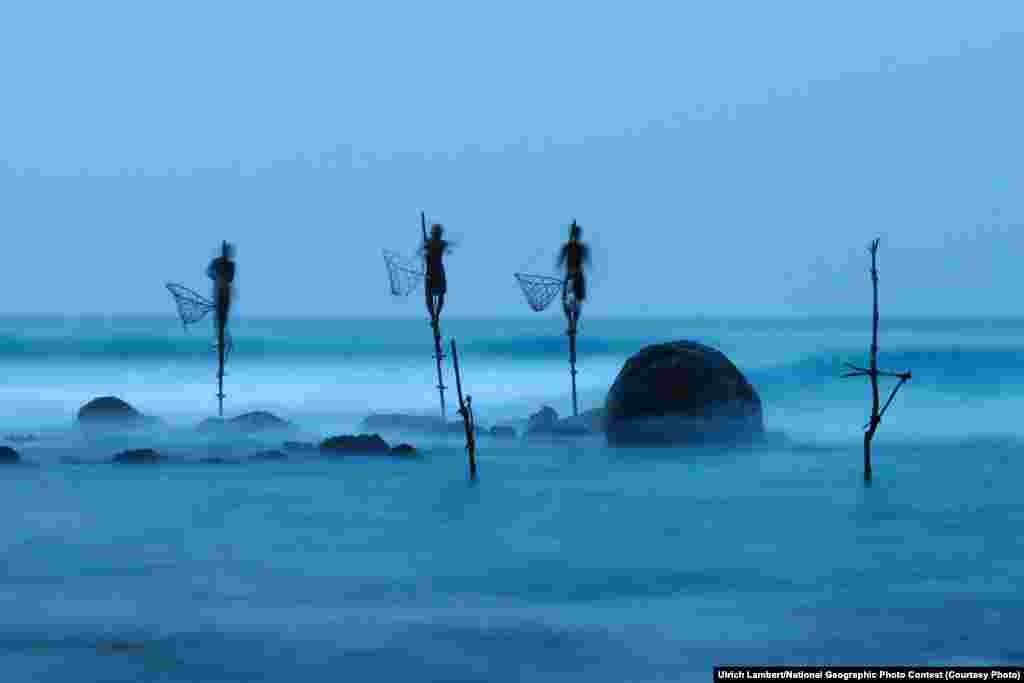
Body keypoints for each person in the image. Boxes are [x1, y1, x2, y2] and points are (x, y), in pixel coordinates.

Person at [557, 220, 589, 320]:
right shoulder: (569, 246)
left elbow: (560, 261)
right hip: (573, 275)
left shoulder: (577, 247)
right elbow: (560, 261)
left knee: (574, 300)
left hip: (575, 275)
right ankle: (572, 323)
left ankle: (573, 323)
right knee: (569, 300)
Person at [420, 224, 450, 320]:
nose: (437, 235)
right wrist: (425, 251)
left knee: (438, 294)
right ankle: (434, 316)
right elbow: (423, 254)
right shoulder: (429, 243)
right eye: (435, 233)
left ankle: (435, 316)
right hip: (431, 271)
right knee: (429, 296)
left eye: (438, 233)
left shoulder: (440, 243)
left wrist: (426, 248)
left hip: (436, 271)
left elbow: (440, 247)